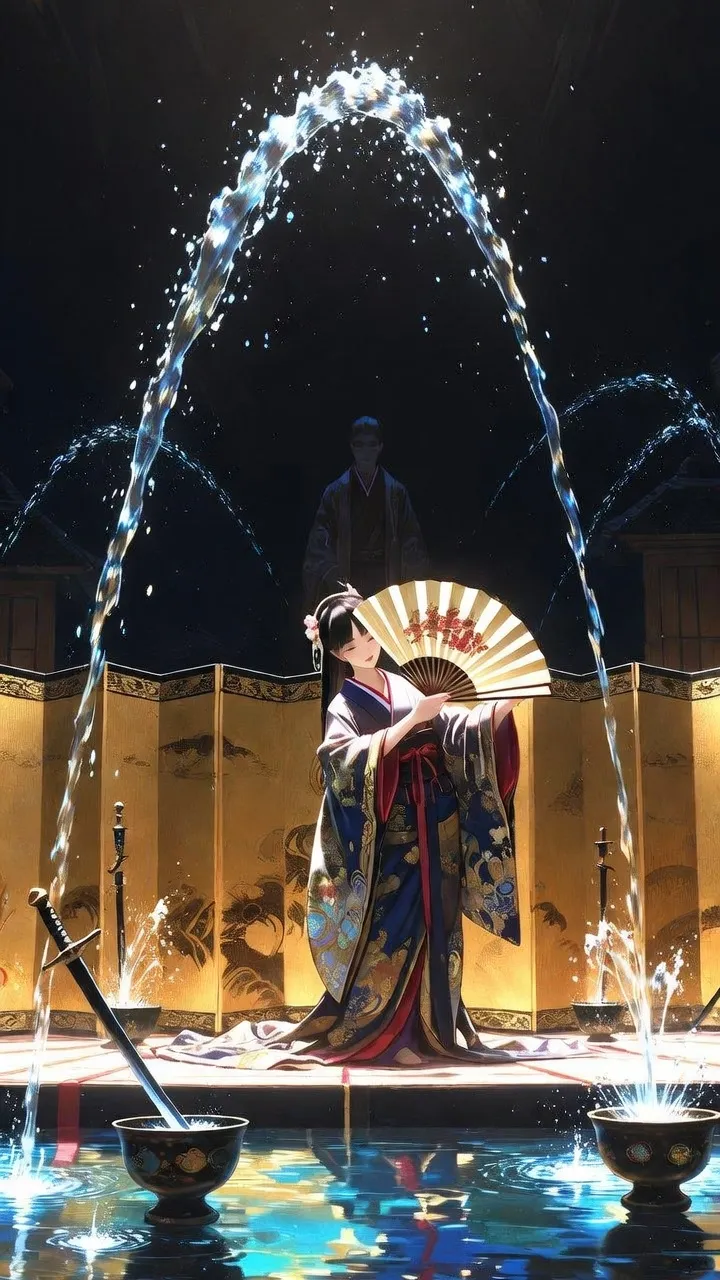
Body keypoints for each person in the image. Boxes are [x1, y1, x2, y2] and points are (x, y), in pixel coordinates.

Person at [161, 588, 530, 1069]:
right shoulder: (343, 705)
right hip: (392, 832)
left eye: (370, 637)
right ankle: (387, 1034)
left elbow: (459, 731)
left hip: (438, 819)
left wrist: (504, 704)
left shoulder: (406, 685)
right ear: (337, 653)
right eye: (353, 644)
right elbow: (342, 761)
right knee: (392, 928)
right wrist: (410, 724)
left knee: (439, 925)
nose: (366, 648)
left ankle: (433, 1030)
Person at [302, 417, 429, 613]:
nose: (366, 451)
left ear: (380, 447)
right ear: (352, 447)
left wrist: (410, 586)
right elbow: (319, 545)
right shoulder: (335, 492)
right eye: (360, 445)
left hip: (387, 577)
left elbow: (411, 543)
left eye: (372, 444)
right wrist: (336, 580)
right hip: (347, 579)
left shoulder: (396, 493)